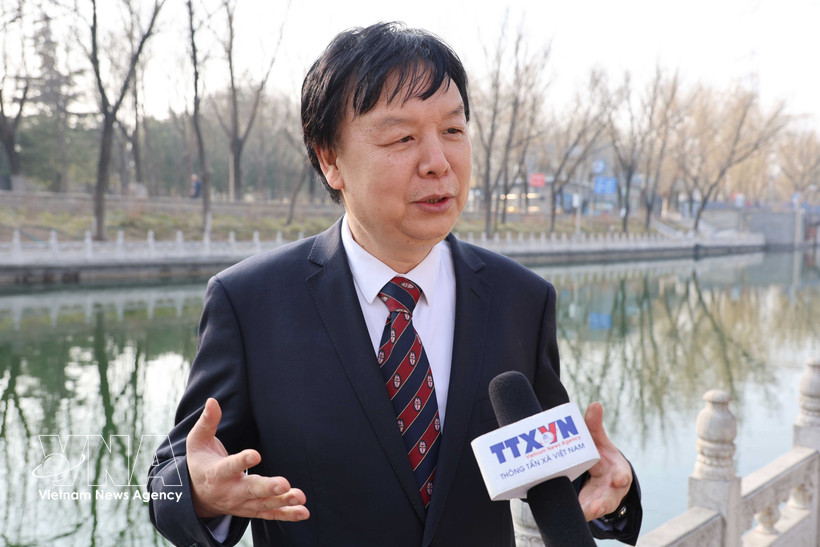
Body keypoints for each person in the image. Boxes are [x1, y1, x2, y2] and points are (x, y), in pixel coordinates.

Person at [148, 22, 642, 546]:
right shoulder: (250, 303)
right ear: (329, 159)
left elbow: (545, 462)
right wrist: (197, 492)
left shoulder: (520, 296)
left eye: (453, 131)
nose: (438, 162)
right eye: (402, 137)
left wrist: (602, 484)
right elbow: (168, 485)